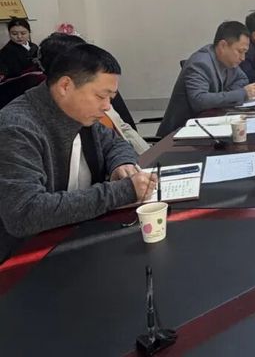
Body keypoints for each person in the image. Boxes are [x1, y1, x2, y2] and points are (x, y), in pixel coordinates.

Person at [0, 43, 157, 263]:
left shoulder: (78, 113)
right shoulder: (17, 128)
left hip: (79, 236)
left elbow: (115, 143)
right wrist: (122, 192)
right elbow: (24, 214)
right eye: (101, 96)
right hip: (28, 257)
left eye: (111, 98)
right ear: (65, 86)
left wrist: (121, 163)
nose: (107, 106)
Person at [38, 32, 150, 155]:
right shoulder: (61, 115)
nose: (107, 106)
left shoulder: (98, 95)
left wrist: (145, 155)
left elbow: (119, 134)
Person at [157, 21, 255, 136]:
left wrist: (225, 95)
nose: (243, 58)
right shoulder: (200, 63)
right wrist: (241, 94)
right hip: (180, 133)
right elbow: (199, 100)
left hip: (210, 124)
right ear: (223, 46)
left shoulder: (228, 61)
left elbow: (242, 79)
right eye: (240, 51)